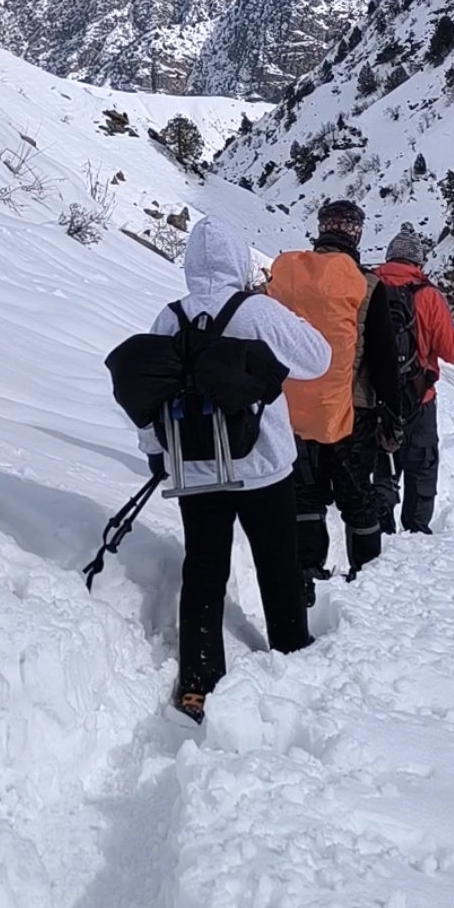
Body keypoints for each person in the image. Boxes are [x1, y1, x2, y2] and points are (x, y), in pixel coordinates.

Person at [133, 214, 332, 725]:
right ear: (239, 260)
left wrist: (156, 449)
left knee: (204, 567)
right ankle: (290, 648)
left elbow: (150, 392)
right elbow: (319, 360)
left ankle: (198, 680)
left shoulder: (169, 317)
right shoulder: (257, 311)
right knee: (277, 560)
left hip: (196, 468)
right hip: (263, 463)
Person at [268, 199, 404, 598]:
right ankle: (366, 576)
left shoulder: (289, 273)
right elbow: (382, 357)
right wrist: (392, 410)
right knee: (356, 494)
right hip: (351, 409)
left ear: (321, 228)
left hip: (292, 409)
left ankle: (307, 571)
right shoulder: (367, 283)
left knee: (304, 494)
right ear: (356, 233)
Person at [371, 226, 454, 536]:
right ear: (418, 263)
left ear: (389, 256)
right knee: (421, 463)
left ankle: (380, 520)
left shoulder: (367, 286)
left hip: (374, 395)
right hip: (419, 395)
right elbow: (452, 349)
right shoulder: (428, 296)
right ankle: (416, 528)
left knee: (383, 457)